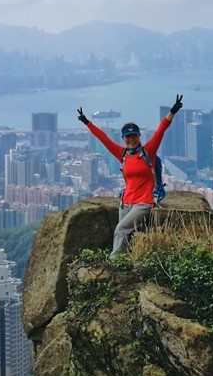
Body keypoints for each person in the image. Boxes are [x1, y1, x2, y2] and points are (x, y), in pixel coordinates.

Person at [77, 94, 183, 255]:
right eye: (128, 136)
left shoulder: (148, 152)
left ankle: (114, 263)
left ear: (139, 136)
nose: (131, 139)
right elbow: (103, 138)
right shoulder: (122, 154)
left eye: (134, 135)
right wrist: (87, 122)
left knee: (121, 229)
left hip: (144, 202)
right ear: (123, 138)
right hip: (125, 202)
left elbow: (160, 131)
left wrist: (172, 112)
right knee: (127, 235)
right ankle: (127, 262)